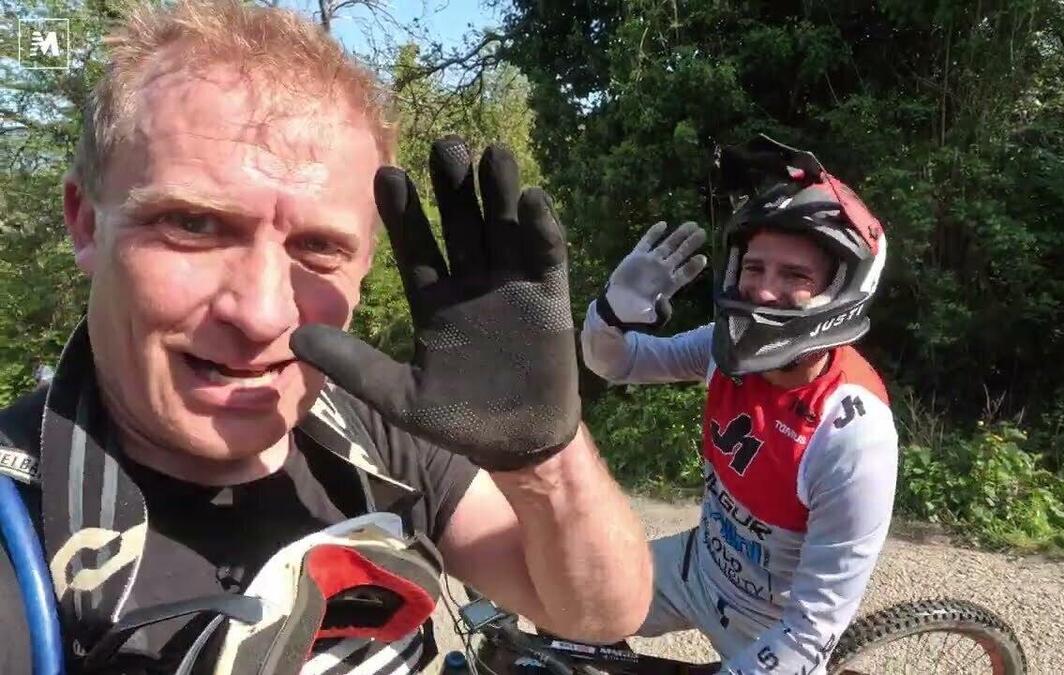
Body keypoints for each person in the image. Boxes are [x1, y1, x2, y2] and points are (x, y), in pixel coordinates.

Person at [0, 0, 652, 672]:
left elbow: (595, 613)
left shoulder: (377, 431)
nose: (260, 314)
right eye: (193, 225)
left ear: (366, 264)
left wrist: (544, 461)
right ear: (86, 223)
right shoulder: (15, 525)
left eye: (318, 247)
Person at [581, 135, 898, 675]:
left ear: (842, 290)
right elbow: (618, 363)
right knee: (565, 597)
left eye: (795, 275)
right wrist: (611, 313)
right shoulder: (723, 350)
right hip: (698, 569)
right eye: (754, 268)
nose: (764, 292)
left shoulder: (853, 436)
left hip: (771, 626)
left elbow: (811, 632)